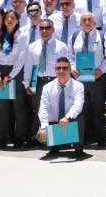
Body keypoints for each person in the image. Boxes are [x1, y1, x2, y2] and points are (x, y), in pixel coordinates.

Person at [22, 19, 69, 148]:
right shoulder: (32, 47)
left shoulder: (61, 46)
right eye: (42, 28)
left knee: (58, 109)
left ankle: (61, 138)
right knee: (39, 110)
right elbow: (28, 67)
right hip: (39, 82)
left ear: (53, 30)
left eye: (47, 28)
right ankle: (38, 137)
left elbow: (66, 65)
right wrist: (27, 84)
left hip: (56, 81)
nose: (44, 31)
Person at [68, 12, 106, 147]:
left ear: (95, 23)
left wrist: (102, 70)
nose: (87, 22)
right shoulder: (74, 37)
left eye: (90, 20)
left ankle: (101, 137)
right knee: (82, 109)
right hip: (79, 80)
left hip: (96, 79)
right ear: (80, 23)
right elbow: (70, 56)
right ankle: (83, 137)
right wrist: (72, 68)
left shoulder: (102, 36)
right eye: (84, 20)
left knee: (98, 109)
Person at [0, 10, 28, 148]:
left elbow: (22, 57)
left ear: (17, 20)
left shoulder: (22, 36)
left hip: (16, 72)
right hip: (0, 71)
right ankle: (3, 137)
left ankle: (19, 137)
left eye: (13, 17)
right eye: (7, 17)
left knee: (18, 107)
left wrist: (12, 75)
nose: (10, 20)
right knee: (3, 108)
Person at [36, 57, 85, 159]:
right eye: (58, 68)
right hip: (54, 122)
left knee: (79, 116)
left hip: (70, 121)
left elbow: (78, 105)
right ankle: (54, 146)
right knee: (39, 136)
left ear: (70, 70)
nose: (61, 71)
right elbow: (43, 108)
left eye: (65, 68)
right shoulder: (47, 87)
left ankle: (78, 148)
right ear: (55, 70)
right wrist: (44, 127)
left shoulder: (78, 86)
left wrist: (67, 117)